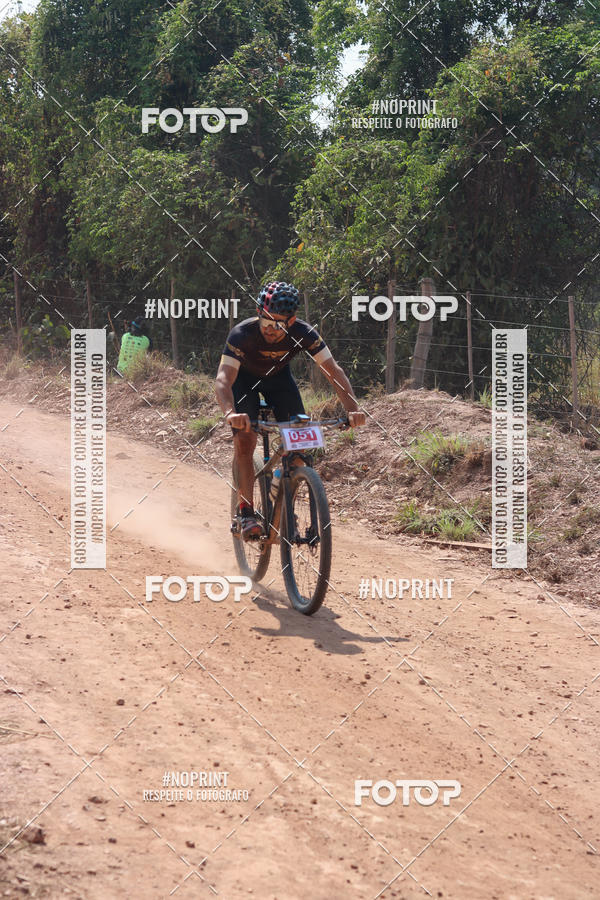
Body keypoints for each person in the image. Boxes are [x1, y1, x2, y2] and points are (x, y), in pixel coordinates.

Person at [215, 281, 366, 540]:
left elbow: (334, 372)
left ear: (292, 320)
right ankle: (246, 512)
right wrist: (230, 413)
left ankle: (283, 493)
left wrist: (353, 408)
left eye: (278, 324)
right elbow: (223, 380)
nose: (270, 330)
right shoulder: (242, 334)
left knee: (299, 446)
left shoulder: (305, 332)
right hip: (243, 383)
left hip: (279, 381)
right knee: (246, 438)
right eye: (265, 322)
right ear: (258, 313)